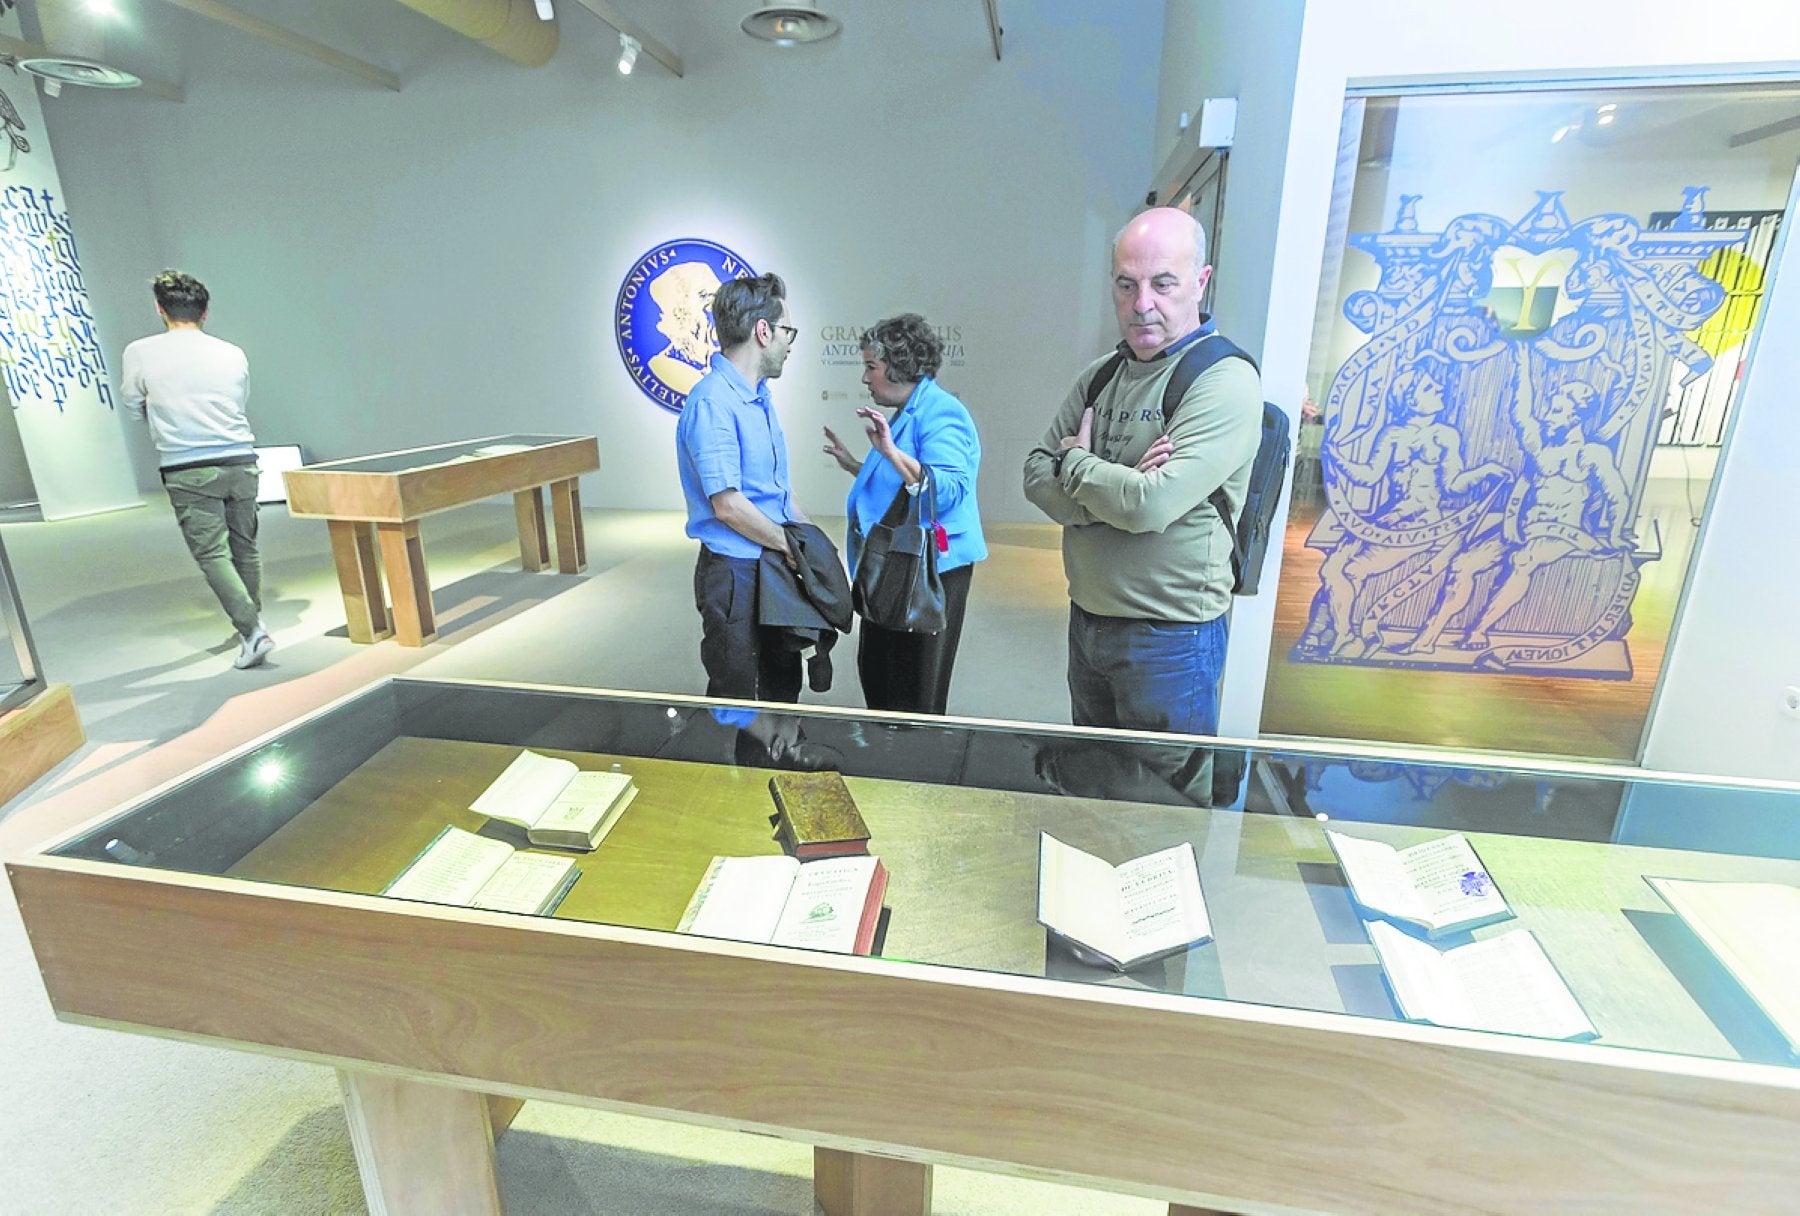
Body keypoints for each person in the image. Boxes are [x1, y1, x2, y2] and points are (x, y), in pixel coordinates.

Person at [1022, 207, 1262, 738]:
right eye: (1126, 285)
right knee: (1095, 790)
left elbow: (1149, 505)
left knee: (1162, 807)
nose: (1142, 304)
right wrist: (1121, 485)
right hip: (1087, 621)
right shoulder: (1102, 373)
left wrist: (1078, 464)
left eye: (1163, 283)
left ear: (1200, 282)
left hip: (1172, 641)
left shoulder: (1223, 380)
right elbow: (1035, 474)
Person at [822, 314, 985, 714]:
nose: (864, 378)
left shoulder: (942, 412)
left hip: (927, 572)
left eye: (870, 367)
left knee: (914, 688)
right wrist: (856, 465)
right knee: (883, 673)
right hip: (898, 567)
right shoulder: (912, 409)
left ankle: (911, 765)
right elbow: (901, 488)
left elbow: (945, 491)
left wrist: (891, 453)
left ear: (899, 365)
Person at [120, 270, 273, 670]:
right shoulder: (231, 351)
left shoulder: (140, 351)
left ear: (160, 309)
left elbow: (133, 403)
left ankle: (252, 630)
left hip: (187, 465)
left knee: (211, 552)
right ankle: (251, 618)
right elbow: (239, 400)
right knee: (246, 545)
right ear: (205, 312)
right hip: (241, 458)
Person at [674, 272, 807, 702]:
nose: (791, 342)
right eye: (788, 330)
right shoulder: (713, 402)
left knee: (780, 687)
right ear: (763, 332)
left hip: (766, 566)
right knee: (742, 697)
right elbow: (728, 505)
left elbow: (775, 493)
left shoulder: (758, 397)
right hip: (735, 574)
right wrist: (792, 546)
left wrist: (809, 543)